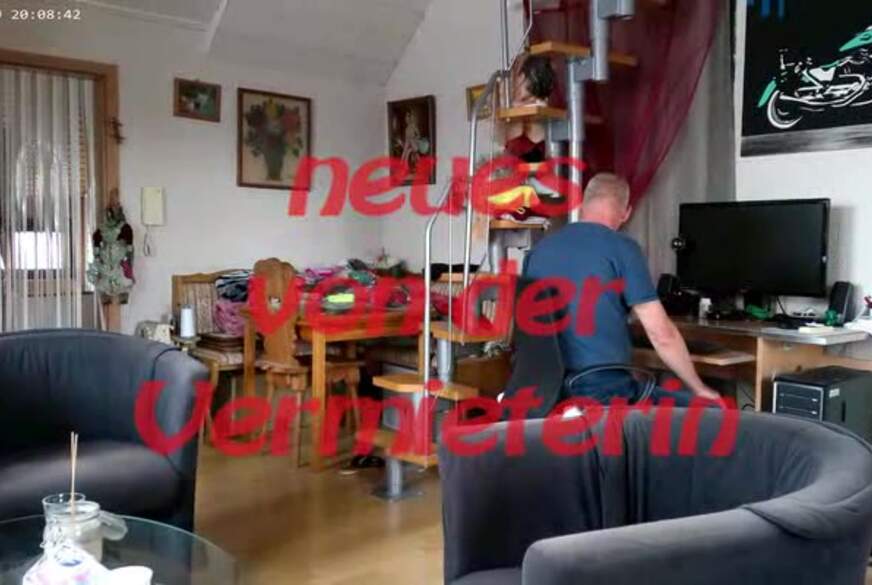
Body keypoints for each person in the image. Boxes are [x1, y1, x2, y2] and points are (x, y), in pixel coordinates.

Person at [523, 173, 721, 405]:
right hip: (599, 388)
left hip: (543, 391)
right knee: (709, 410)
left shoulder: (539, 250)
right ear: (626, 212)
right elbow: (661, 335)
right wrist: (698, 388)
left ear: (583, 204)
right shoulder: (623, 248)